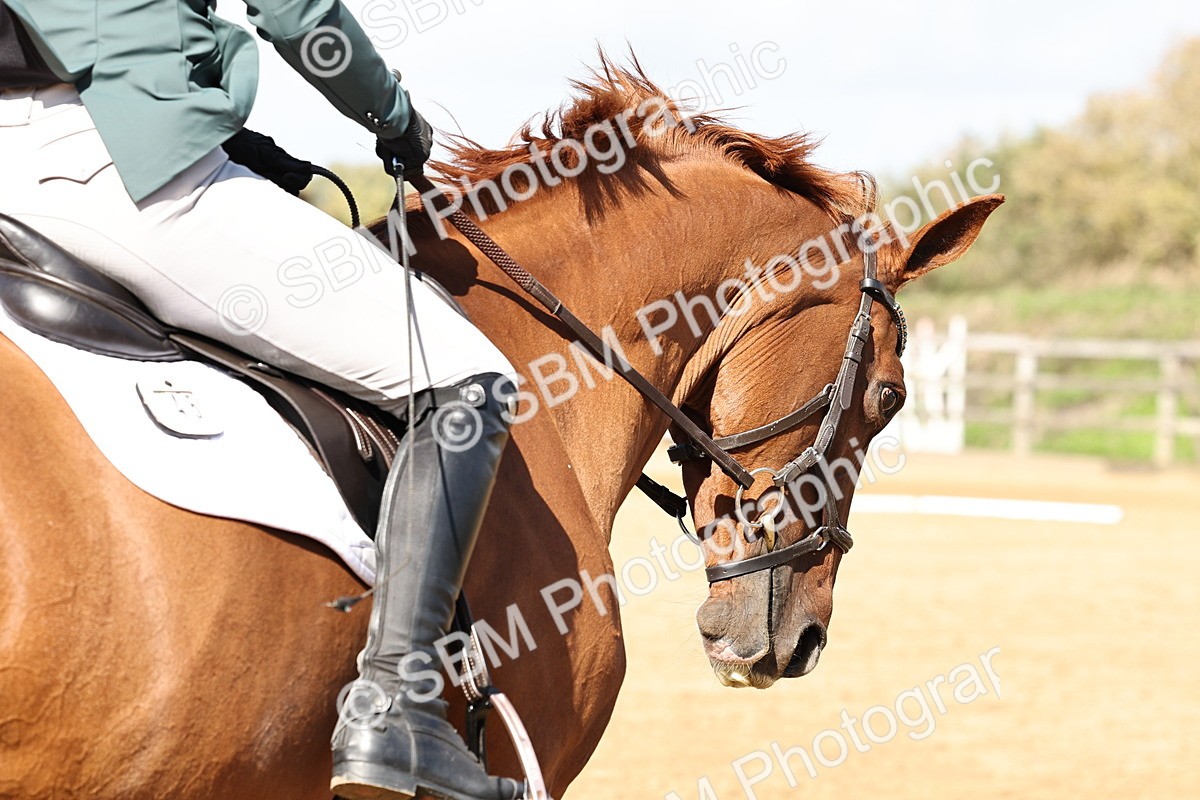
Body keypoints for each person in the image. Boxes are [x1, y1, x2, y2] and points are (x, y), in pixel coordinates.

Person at [0, 3, 522, 799]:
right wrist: (393, 115)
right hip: (107, 164)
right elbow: (296, 12)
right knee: (465, 378)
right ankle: (394, 708)